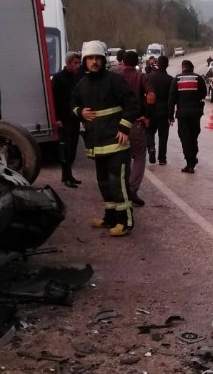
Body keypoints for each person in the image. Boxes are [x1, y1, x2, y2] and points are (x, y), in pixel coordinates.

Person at [71, 40, 139, 237]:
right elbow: (72, 102)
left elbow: (132, 103)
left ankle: (125, 221)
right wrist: (79, 111)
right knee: (103, 183)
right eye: (90, 58)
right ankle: (109, 218)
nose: (94, 62)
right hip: (96, 144)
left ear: (103, 60)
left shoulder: (114, 80)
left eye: (97, 58)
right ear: (85, 61)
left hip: (116, 144)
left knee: (118, 184)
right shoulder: (82, 84)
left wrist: (124, 127)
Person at [121, 50, 153, 206]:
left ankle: (119, 189)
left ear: (123, 62)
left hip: (118, 124)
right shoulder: (141, 77)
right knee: (139, 156)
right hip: (135, 123)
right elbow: (151, 96)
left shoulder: (115, 77)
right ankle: (132, 189)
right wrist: (147, 115)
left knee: (121, 157)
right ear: (137, 63)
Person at [51, 51, 84, 187]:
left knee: (73, 147)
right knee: (66, 148)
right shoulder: (58, 78)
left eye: (78, 63)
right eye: (75, 63)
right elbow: (54, 100)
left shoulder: (78, 77)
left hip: (74, 118)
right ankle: (66, 176)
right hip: (64, 119)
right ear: (68, 63)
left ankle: (69, 175)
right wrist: (57, 118)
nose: (78, 66)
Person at [169, 59, 206, 173]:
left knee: (185, 138)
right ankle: (193, 157)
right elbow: (203, 93)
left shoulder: (177, 79)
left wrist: (170, 116)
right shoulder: (198, 78)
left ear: (182, 68)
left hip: (183, 114)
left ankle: (190, 163)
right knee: (194, 136)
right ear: (192, 68)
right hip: (196, 114)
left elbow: (171, 99)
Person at [146, 55, 173, 165]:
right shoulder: (170, 80)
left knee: (149, 131)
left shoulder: (148, 77)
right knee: (163, 136)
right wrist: (171, 115)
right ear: (167, 65)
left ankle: (151, 147)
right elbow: (172, 99)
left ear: (157, 64)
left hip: (150, 110)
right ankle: (162, 158)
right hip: (164, 111)